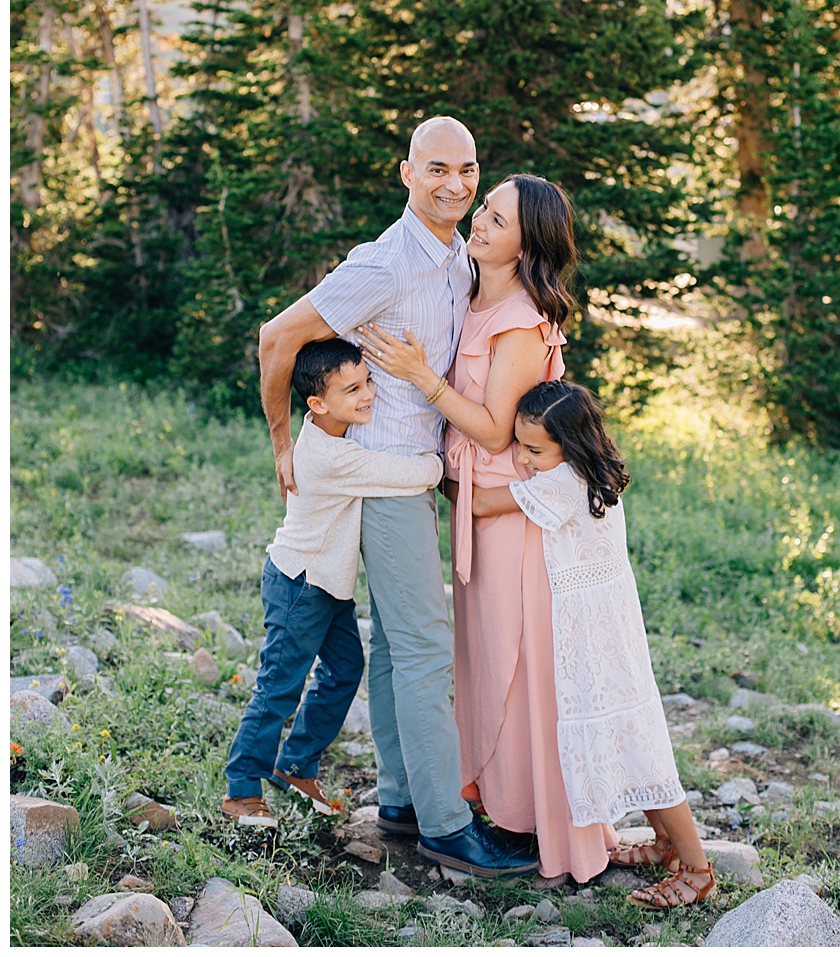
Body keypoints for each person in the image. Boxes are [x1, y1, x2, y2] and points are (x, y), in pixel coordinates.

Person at [256, 116, 538, 878]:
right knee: (421, 649)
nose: (455, 184)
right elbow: (278, 337)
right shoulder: (385, 264)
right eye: (437, 169)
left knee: (394, 648)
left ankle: (403, 802)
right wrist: (285, 444)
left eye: (468, 170)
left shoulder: (455, 257)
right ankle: (449, 826)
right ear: (407, 173)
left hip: (408, 478)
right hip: (384, 483)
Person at [360, 174, 608, 885]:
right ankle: (487, 798)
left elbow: (497, 428)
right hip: (465, 503)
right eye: (486, 213)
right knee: (482, 660)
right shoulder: (470, 291)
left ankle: (534, 818)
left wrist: (419, 377)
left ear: (527, 241)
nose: (482, 225)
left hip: (507, 513)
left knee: (517, 663)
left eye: (498, 220)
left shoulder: (523, 319)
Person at [466, 380, 713, 908]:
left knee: (641, 744)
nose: (524, 460)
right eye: (519, 446)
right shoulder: (589, 470)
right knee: (629, 731)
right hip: (608, 622)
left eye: (534, 450)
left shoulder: (563, 482)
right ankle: (665, 844)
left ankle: (697, 867)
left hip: (594, 631)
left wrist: (437, 474)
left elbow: (484, 504)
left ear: (569, 446)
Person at [222, 338, 442, 827]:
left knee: (345, 669)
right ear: (317, 404)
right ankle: (241, 788)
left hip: (329, 585)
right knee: (279, 685)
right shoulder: (330, 457)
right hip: (300, 583)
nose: (368, 395)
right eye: (352, 389)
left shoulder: (336, 435)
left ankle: (297, 764)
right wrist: (449, 456)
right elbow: (417, 472)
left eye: (367, 382)